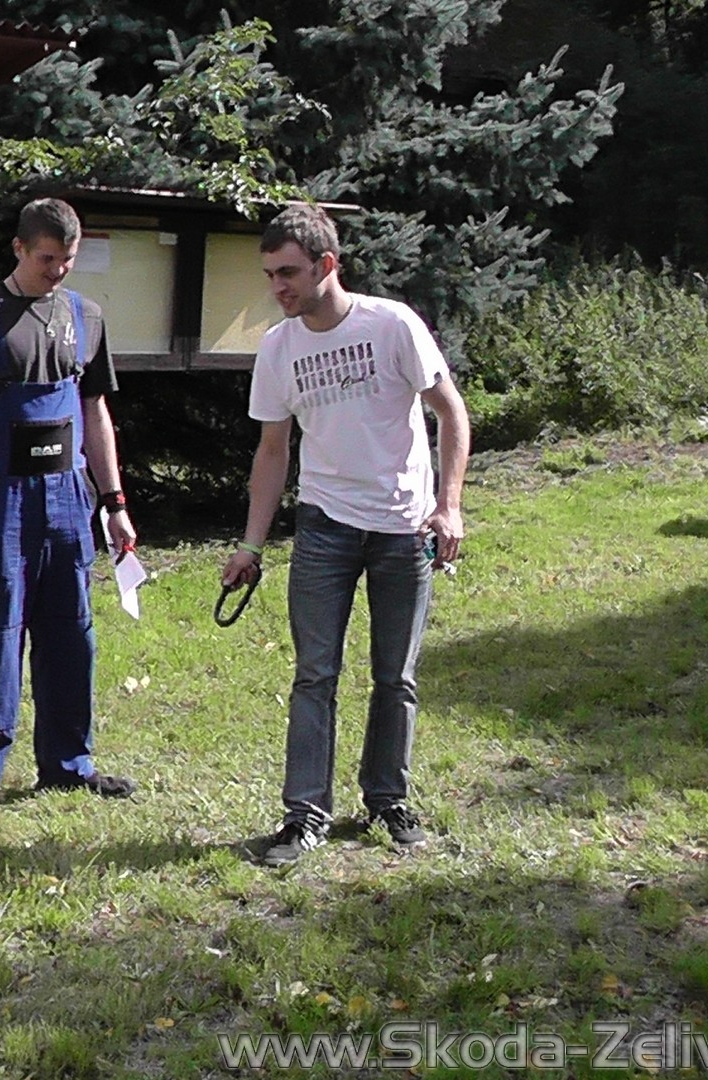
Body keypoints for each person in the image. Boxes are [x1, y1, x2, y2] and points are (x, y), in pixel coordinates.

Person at [221, 203, 471, 867]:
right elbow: (272, 451)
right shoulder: (278, 348)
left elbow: (451, 412)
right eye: (270, 275)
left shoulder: (391, 325)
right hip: (324, 528)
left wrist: (449, 506)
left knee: (396, 676)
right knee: (315, 675)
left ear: (326, 265)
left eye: (289, 273)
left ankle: (387, 801)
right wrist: (251, 545)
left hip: (402, 527)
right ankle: (304, 817)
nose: (278, 287)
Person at [0, 197, 139, 824]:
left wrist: (114, 503)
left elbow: (96, 414)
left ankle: (69, 765)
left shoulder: (86, 316)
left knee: (71, 632)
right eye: (47, 258)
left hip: (69, 501)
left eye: (68, 259)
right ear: (19, 249)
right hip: (1, 503)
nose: (58, 271)